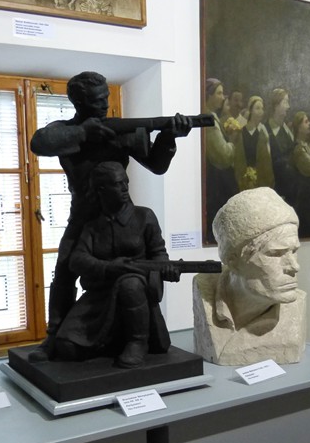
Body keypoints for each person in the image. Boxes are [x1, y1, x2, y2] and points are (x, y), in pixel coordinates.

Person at [29, 71, 191, 360]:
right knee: (65, 271)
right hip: (83, 214)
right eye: (97, 100)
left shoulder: (121, 131)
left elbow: (157, 165)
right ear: (78, 103)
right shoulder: (65, 131)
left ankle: (135, 337)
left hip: (120, 216)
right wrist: (83, 133)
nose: (105, 104)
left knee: (129, 276)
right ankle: (53, 335)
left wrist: (168, 136)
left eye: (106, 97)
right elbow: (39, 142)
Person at [52, 161, 178, 368]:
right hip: (100, 296)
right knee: (66, 347)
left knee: (131, 284)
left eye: (125, 182)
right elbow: (77, 260)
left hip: (135, 293)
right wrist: (108, 268)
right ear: (102, 189)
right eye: (118, 184)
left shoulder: (144, 217)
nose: (125, 188)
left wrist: (165, 269)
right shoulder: (93, 226)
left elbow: (158, 253)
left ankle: (138, 341)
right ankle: (110, 342)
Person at [193, 187, 305, 366]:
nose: (294, 266)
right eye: (276, 253)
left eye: (294, 251)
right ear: (233, 261)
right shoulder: (206, 292)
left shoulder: (294, 305)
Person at [204, 78, 239, 234]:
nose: (223, 97)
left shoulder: (211, 116)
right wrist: (232, 141)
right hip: (216, 181)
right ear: (209, 95)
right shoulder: (209, 120)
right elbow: (223, 155)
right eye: (219, 93)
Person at [231, 95, 273, 191]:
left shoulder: (263, 130)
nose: (261, 111)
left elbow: (267, 157)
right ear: (250, 110)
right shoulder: (241, 129)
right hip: (242, 177)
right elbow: (235, 149)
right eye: (257, 108)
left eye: (262, 108)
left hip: (260, 177)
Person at [264, 88, 297, 205]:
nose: (288, 107)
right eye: (285, 102)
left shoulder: (286, 129)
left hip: (291, 188)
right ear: (276, 105)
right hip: (275, 189)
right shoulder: (265, 130)